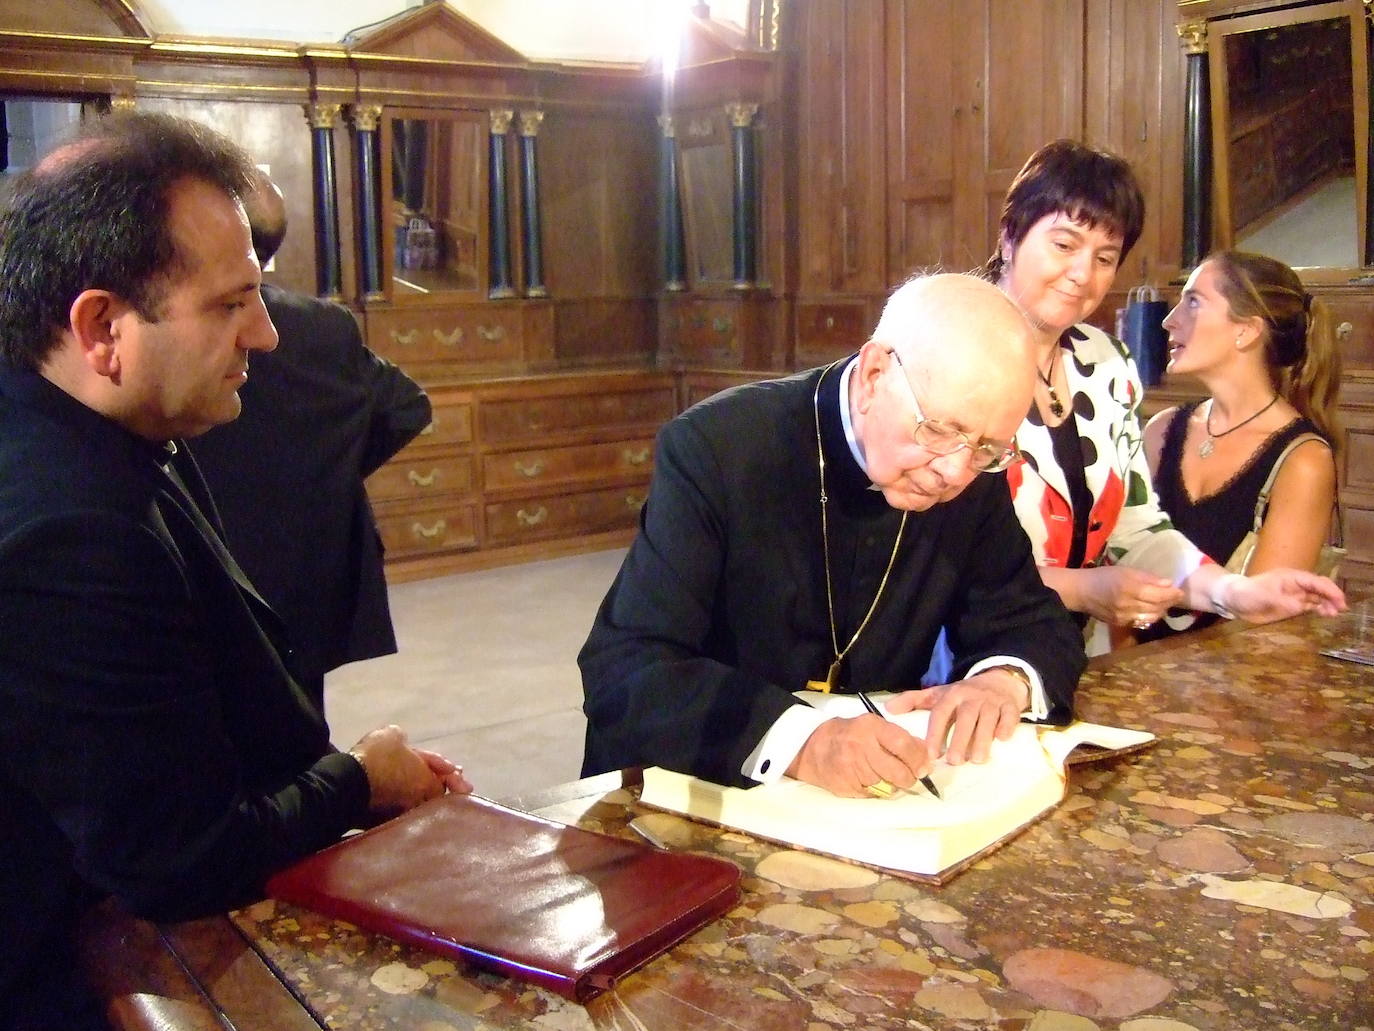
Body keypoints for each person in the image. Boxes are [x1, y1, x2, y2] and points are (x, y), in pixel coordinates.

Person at [0, 112, 469, 1031]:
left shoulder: (95, 429)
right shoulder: (71, 531)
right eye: (228, 304)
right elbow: (179, 858)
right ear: (101, 326)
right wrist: (361, 777)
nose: (266, 334)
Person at [580, 273, 1087, 800]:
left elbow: (1030, 617)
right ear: (872, 376)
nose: (955, 472)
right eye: (939, 430)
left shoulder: (969, 473)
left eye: (987, 447)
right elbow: (627, 668)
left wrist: (1002, 679)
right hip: (692, 789)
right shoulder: (718, 449)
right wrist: (804, 742)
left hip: (864, 806)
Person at [983, 139, 1344, 648]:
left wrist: (1231, 592)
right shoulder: (955, 347)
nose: (1083, 274)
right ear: (1010, 238)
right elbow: (927, 550)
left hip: (1066, 660)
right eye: (1063, 246)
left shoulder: (1107, 363)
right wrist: (1080, 589)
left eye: (1105, 257)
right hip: (949, 662)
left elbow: (1136, 528)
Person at [189, 172, 431, 709]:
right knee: (299, 726)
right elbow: (406, 407)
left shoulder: (180, 330)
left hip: (205, 561)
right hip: (303, 564)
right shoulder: (322, 325)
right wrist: (333, 470)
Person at [1137, 250, 1341, 639]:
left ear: (1245, 330)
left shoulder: (1302, 459)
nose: (1168, 320)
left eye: (1194, 302)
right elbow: (1122, 565)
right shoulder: (1161, 431)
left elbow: (1260, 625)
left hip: (1224, 686)